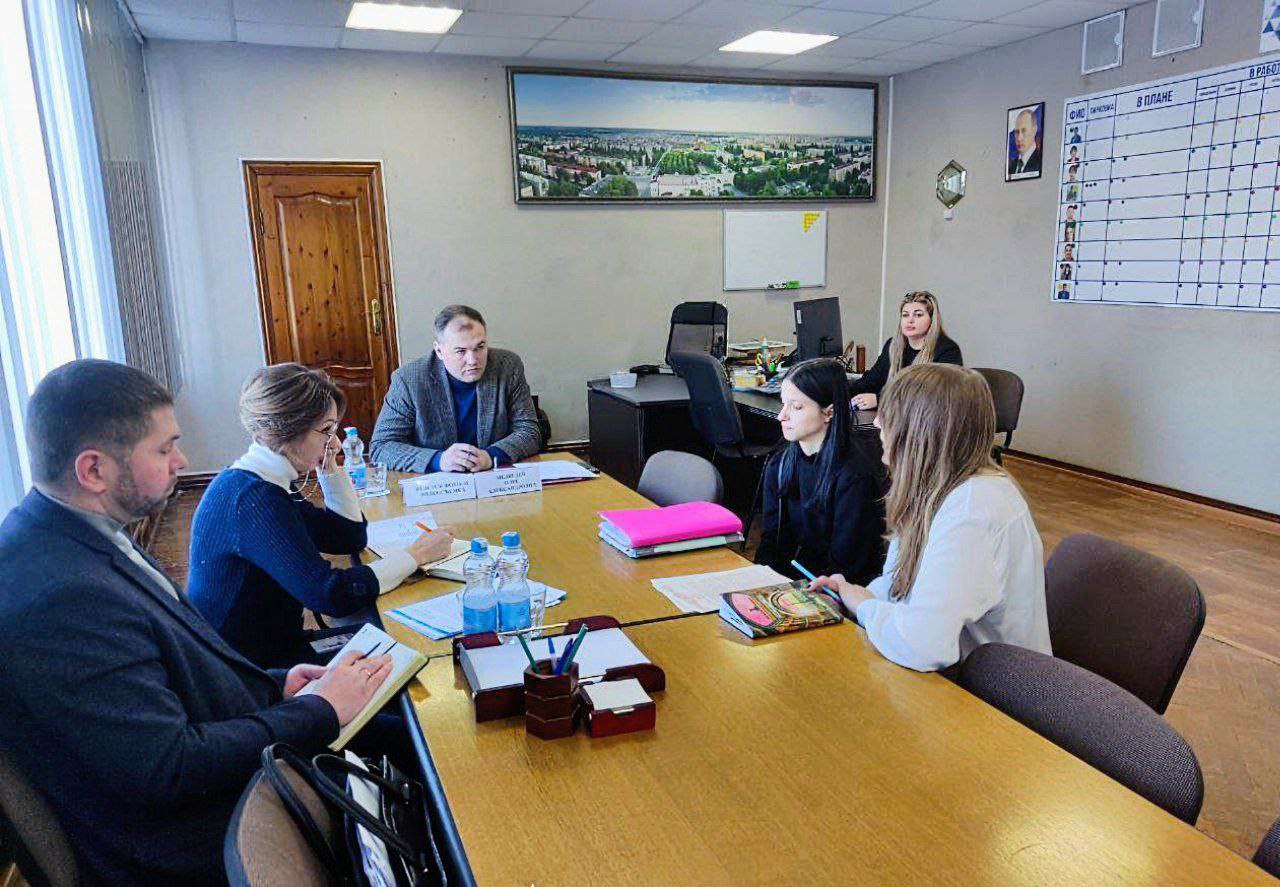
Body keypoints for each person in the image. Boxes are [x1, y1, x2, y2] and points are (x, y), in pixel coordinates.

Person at [0, 359, 393, 885]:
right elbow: (168, 768)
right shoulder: (58, 594)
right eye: (164, 450)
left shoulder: (78, 534)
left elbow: (170, 680)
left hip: (224, 758)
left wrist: (278, 686)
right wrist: (319, 710)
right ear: (93, 471)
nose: (183, 462)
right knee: (415, 747)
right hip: (193, 843)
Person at [188, 363, 455, 669]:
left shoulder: (265, 480)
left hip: (273, 650)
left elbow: (347, 537)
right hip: (253, 672)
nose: (337, 443)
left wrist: (329, 469)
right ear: (289, 431)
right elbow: (331, 594)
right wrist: (414, 556)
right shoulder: (254, 498)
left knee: (397, 643)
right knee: (412, 654)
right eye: (327, 431)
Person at [811, 363, 1051, 673]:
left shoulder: (973, 508)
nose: (878, 421)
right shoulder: (934, 488)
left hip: (990, 689)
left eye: (889, 414)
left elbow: (923, 645)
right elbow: (902, 586)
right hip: (951, 672)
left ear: (921, 431)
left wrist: (865, 607)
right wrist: (858, 595)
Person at [755, 359, 886, 586]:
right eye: (783, 404)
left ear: (829, 412)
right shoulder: (779, 464)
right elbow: (773, 544)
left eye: (796, 407)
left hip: (843, 590)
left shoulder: (855, 474)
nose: (781, 416)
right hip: (800, 583)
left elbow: (848, 567)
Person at [371, 304, 542, 473]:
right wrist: (439, 460)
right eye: (461, 351)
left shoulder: (507, 366)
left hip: (492, 477)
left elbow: (529, 431)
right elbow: (382, 447)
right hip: (437, 482)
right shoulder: (409, 379)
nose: (473, 360)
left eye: (480, 347)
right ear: (439, 351)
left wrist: (490, 456)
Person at [849, 291, 962, 410]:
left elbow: (934, 397)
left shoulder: (947, 351)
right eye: (905, 315)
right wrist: (840, 391)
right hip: (895, 415)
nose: (910, 320)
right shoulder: (893, 346)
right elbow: (872, 381)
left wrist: (879, 400)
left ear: (932, 320)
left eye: (918, 315)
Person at [1008, 108, 1042, 176]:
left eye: (1024, 131)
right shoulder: (1012, 167)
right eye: (1017, 132)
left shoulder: (1040, 161)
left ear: (1034, 130)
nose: (1019, 138)